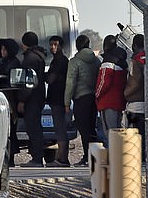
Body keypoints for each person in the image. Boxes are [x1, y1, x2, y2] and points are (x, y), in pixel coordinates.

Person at [65, 34, 101, 166]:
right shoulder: (97, 61)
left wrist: (66, 102)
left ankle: (87, 157)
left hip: (81, 99)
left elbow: (70, 83)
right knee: (92, 129)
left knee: (84, 129)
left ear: (77, 46)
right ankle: (94, 157)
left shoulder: (75, 62)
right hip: (94, 99)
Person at [17, 31, 47, 167]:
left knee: (33, 129)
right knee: (36, 128)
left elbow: (28, 83)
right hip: (39, 96)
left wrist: (22, 100)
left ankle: (37, 158)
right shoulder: (39, 56)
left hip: (31, 99)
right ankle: (37, 157)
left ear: (25, 44)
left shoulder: (30, 59)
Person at [95, 34, 127, 147]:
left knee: (109, 132)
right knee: (118, 131)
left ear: (105, 46)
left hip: (107, 102)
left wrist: (97, 95)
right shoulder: (122, 62)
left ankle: (113, 158)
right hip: (119, 101)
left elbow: (104, 83)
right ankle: (118, 156)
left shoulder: (107, 62)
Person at [0, 38, 22, 166]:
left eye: (5, 49)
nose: (2, 51)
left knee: (10, 131)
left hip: (9, 99)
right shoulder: (2, 62)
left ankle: (10, 158)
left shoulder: (13, 63)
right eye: (1, 49)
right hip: (0, 98)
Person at [45, 35, 70, 167]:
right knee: (58, 128)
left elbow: (50, 79)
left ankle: (62, 158)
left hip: (59, 99)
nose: (53, 47)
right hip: (56, 99)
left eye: (55, 44)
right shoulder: (57, 60)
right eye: (51, 44)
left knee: (60, 129)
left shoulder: (61, 61)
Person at [124, 34, 146, 161]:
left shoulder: (135, 61)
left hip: (135, 104)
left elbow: (135, 81)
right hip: (147, 102)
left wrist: (126, 93)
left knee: (134, 135)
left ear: (135, 46)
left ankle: (138, 158)